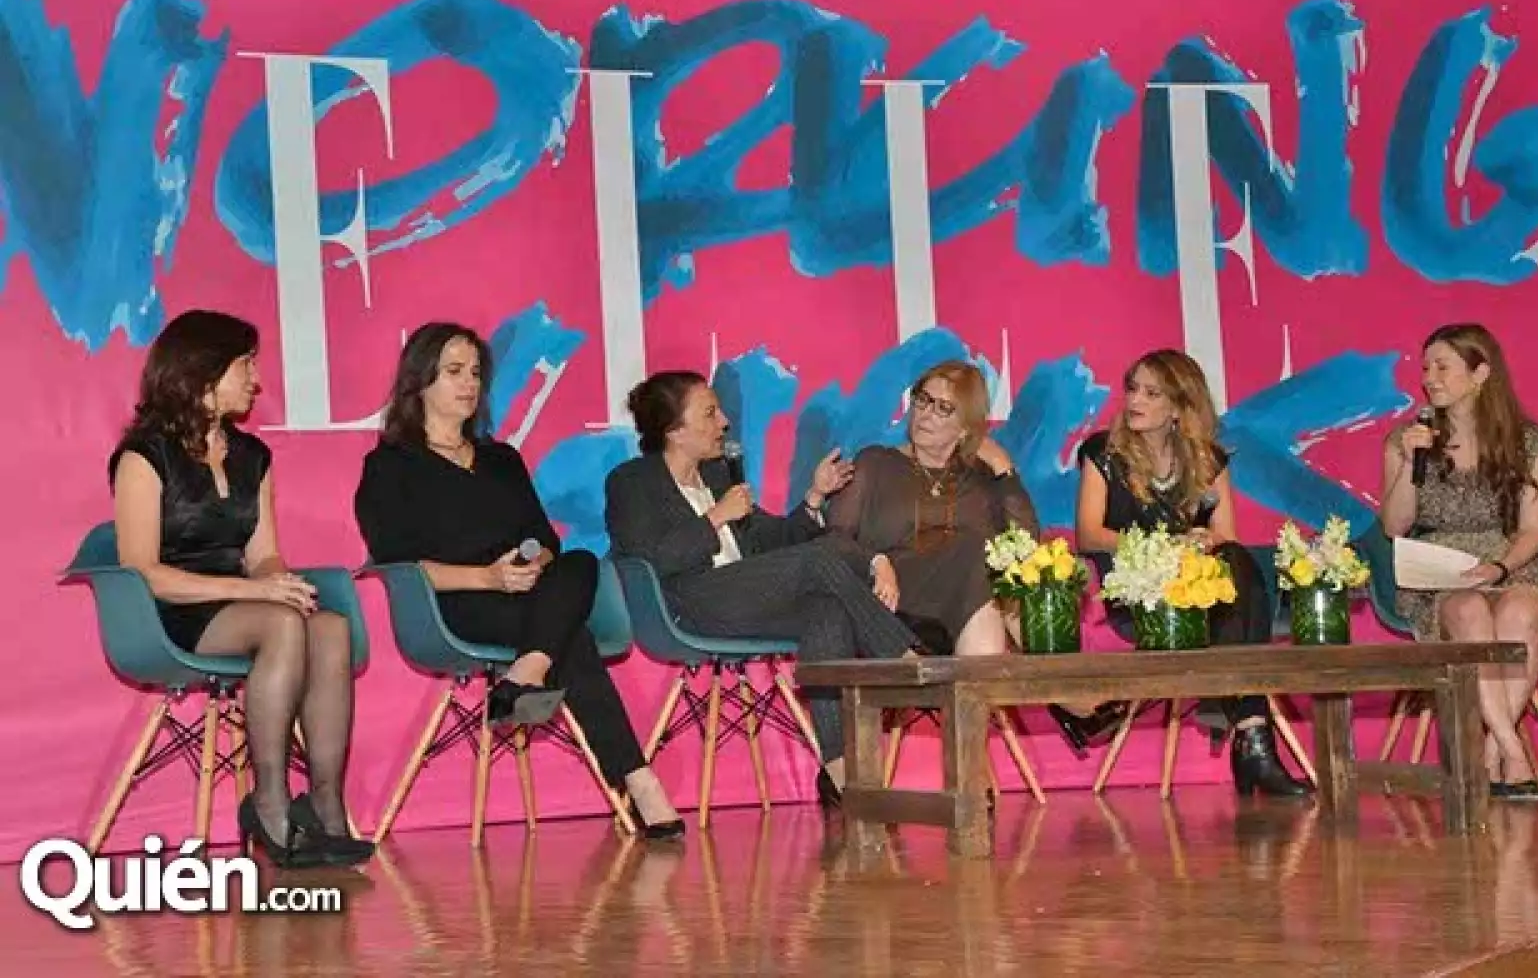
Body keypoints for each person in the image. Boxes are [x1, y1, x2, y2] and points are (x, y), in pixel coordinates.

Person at [353, 323, 685, 840]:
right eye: (454, 372)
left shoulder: (501, 459)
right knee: (570, 636)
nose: (469, 384)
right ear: (420, 382)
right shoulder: (389, 467)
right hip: (459, 604)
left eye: (476, 373)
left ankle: (525, 675)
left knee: (576, 562)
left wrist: (531, 562)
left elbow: (544, 538)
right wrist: (487, 577)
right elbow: (398, 565)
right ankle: (637, 779)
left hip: (530, 596)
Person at [109, 310, 372, 868]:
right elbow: (140, 571)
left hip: (239, 604)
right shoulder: (145, 457)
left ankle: (325, 805)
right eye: (245, 363)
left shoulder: (253, 457)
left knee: (328, 626)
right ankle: (268, 800)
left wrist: (277, 580)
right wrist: (257, 594)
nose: (256, 377)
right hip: (171, 611)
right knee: (280, 622)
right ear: (203, 372)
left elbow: (263, 553)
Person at [603, 371, 920, 806]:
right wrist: (714, 518)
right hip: (687, 603)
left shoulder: (716, 475)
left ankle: (841, 771)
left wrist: (813, 497)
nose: (725, 422)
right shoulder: (632, 481)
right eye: (711, 413)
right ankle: (903, 662)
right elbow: (649, 558)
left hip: (743, 596)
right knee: (817, 562)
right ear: (674, 430)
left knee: (826, 610)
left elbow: (775, 539)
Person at [824, 360, 1125, 753]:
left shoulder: (978, 480)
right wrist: (875, 562)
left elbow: (1024, 543)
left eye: (943, 408)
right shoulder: (874, 463)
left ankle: (974, 772)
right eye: (922, 400)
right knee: (975, 554)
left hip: (971, 606)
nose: (926, 414)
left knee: (1003, 572)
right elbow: (835, 541)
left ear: (966, 426)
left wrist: (1003, 469)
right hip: (893, 602)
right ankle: (1070, 698)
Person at [1075, 348, 1310, 797]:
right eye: (1132, 389)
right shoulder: (1103, 453)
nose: (1134, 401)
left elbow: (1226, 535)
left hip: (1202, 593)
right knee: (1234, 599)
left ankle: (1245, 726)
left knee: (1236, 562)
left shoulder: (1207, 459)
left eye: (1151, 393)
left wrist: (1204, 542)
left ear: (1179, 408)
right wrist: (1163, 545)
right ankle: (1254, 740)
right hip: (1141, 592)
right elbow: (1089, 534)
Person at [1378, 323, 1538, 797]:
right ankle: (1510, 747)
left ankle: (1492, 753)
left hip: (1508, 561)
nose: (1429, 378)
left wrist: (1500, 568)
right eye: (1425, 368)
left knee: (1524, 609)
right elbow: (1394, 526)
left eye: (1442, 366)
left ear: (1480, 373)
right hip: (1439, 572)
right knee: (1469, 609)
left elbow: (1532, 531)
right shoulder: (1406, 442)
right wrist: (1411, 470)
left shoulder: (1530, 443)